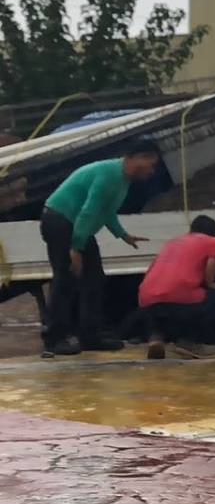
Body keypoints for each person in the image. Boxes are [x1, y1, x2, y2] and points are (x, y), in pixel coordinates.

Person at [40, 138, 160, 356]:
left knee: (94, 278)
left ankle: (90, 335)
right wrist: (75, 247)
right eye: (151, 164)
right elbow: (89, 210)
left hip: (76, 225)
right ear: (137, 157)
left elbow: (106, 211)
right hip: (61, 220)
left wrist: (122, 235)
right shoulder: (109, 174)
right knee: (65, 278)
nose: (152, 171)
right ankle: (54, 338)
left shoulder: (122, 179)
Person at [136, 214, 215, 360]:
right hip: (180, 298)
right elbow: (210, 272)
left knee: (161, 303)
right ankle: (188, 341)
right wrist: (211, 283)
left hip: (146, 298)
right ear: (214, 232)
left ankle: (156, 338)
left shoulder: (172, 243)